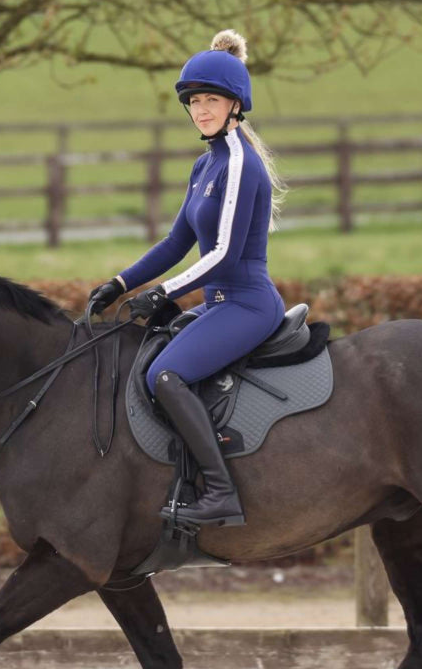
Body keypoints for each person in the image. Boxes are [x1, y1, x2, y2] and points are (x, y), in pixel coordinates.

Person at [89, 29, 286, 529]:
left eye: (211, 100)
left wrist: (163, 292)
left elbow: (222, 253)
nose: (200, 109)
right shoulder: (206, 164)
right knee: (148, 349)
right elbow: (177, 242)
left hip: (246, 304)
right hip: (220, 303)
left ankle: (221, 493)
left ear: (235, 104)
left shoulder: (241, 164)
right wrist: (120, 282)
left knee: (166, 375)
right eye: (194, 101)